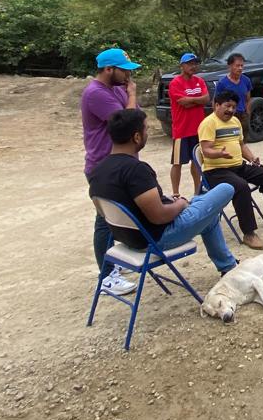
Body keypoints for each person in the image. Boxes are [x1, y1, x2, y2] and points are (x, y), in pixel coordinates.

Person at [88, 108, 238, 273]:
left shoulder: (97, 171)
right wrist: (180, 204)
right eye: (146, 129)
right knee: (226, 188)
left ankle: (228, 266)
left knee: (208, 212)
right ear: (136, 137)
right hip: (158, 238)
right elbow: (159, 216)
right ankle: (228, 265)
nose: (147, 133)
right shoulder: (136, 170)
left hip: (129, 238)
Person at [199, 90, 263, 250]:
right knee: (241, 186)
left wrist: (251, 158)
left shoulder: (235, 121)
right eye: (227, 106)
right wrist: (219, 153)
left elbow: (242, 145)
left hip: (238, 166)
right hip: (216, 171)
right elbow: (206, 150)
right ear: (217, 105)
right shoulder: (209, 123)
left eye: (233, 107)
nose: (230, 110)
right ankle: (249, 233)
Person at [81, 48, 140, 295]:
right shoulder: (95, 93)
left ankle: (113, 261)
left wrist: (129, 97)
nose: (128, 76)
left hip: (120, 163)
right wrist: (132, 94)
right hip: (103, 165)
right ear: (108, 69)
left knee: (117, 218)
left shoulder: (116, 89)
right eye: (124, 71)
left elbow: (135, 115)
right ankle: (106, 276)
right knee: (105, 221)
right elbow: (128, 122)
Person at [167, 52, 209, 197]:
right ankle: (175, 193)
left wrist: (191, 100)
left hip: (198, 129)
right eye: (190, 63)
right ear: (182, 66)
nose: (193, 66)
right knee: (177, 163)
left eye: (195, 63)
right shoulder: (175, 83)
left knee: (196, 161)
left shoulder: (199, 81)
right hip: (182, 130)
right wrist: (198, 100)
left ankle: (197, 190)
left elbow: (206, 99)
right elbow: (182, 103)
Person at [215, 52, 253, 126]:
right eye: (237, 65)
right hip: (228, 116)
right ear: (230, 66)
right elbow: (216, 102)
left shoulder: (246, 80)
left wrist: (247, 114)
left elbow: (248, 99)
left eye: (242, 65)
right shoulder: (222, 83)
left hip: (242, 116)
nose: (240, 68)